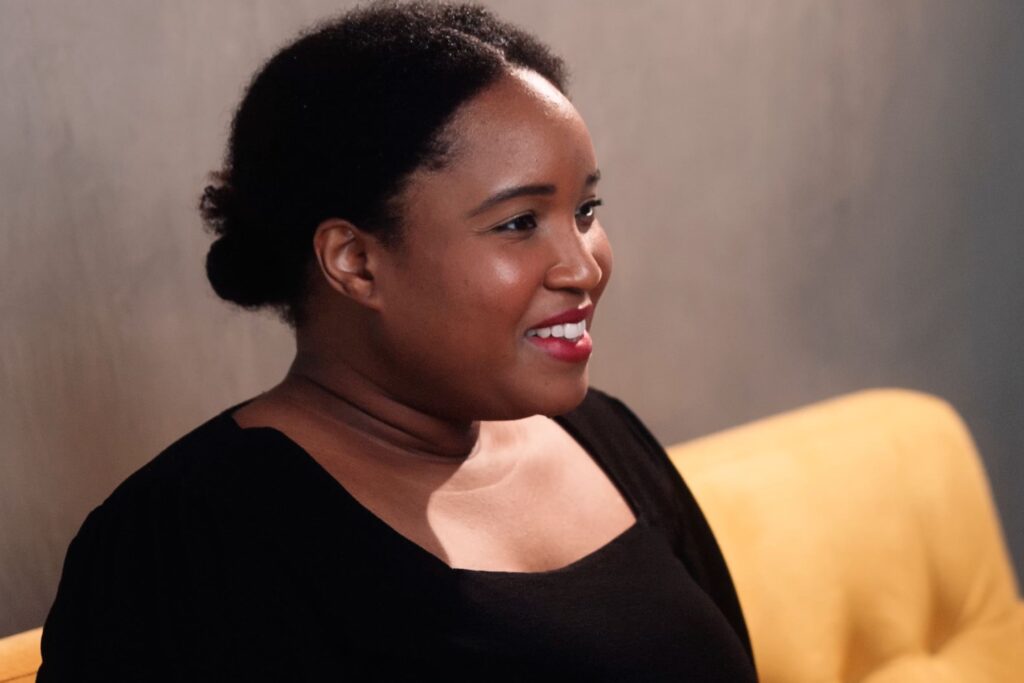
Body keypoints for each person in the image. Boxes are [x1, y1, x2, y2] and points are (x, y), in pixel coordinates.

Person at [38, 2, 758, 680]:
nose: (584, 266)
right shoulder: (189, 538)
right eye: (519, 222)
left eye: (586, 210)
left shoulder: (601, 435)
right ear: (355, 261)